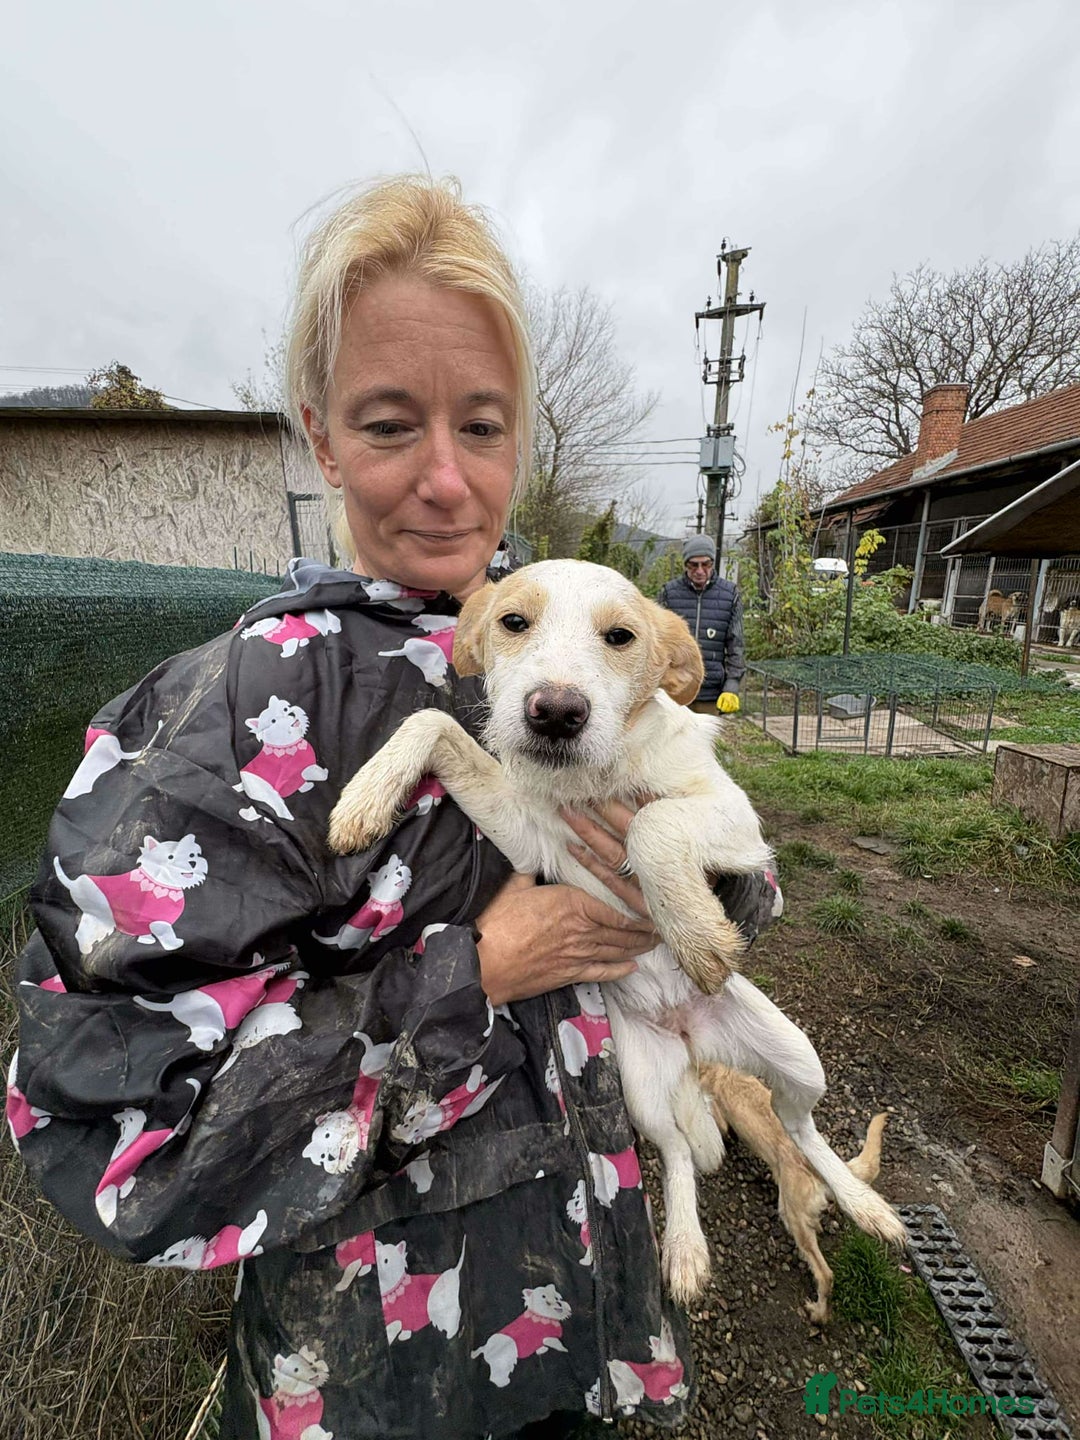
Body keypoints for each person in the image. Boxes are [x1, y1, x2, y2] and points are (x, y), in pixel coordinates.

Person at [9, 176, 776, 1440]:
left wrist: (691, 882)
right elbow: (115, 1120)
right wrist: (475, 973)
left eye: (481, 426)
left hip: (583, 1297)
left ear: (519, 441)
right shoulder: (243, 708)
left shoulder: (574, 639)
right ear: (322, 440)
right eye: (387, 425)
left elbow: (738, 897)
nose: (445, 480)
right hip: (382, 1375)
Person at [659, 536, 745, 715]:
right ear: (685, 565)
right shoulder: (669, 593)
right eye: (693, 565)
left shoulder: (730, 595)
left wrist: (732, 686)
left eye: (705, 564)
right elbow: (658, 642)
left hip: (711, 693)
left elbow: (736, 646)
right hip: (674, 692)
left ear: (712, 563)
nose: (700, 571)